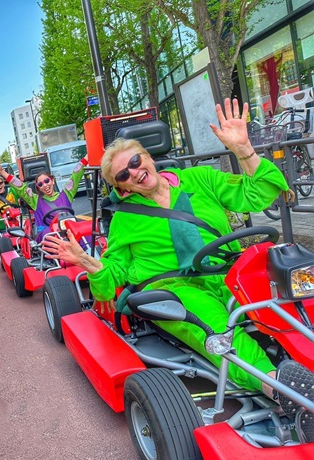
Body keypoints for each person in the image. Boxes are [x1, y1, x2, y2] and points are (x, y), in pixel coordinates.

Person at [42, 98, 304, 399]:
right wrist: (85, 261)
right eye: (123, 175)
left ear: (147, 157)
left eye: (135, 161)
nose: (133, 172)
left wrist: (244, 149)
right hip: (175, 287)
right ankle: (280, 388)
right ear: (123, 188)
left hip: (229, 273)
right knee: (216, 326)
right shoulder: (125, 219)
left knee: (293, 294)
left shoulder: (200, 179)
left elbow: (259, 194)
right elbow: (112, 277)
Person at [0, 155, 88, 241]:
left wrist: (88, 156)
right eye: (40, 184)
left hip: (71, 231)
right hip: (50, 237)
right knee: (49, 235)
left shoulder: (66, 194)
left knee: (87, 228)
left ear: (52, 181)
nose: (45, 185)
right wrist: (2, 172)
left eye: (47, 181)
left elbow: (76, 175)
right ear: (38, 187)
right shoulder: (35, 200)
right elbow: (21, 188)